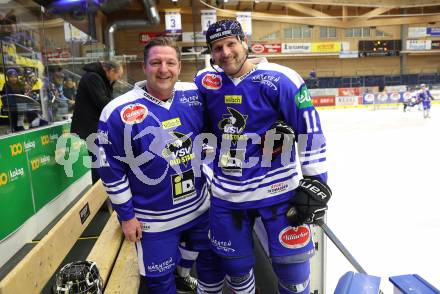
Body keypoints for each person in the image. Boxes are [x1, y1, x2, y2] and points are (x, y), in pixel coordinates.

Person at [194, 20, 331, 294]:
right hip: (229, 195)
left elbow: (309, 129)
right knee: (236, 269)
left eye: (231, 44)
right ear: (211, 53)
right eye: (217, 48)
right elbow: (200, 127)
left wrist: (317, 182)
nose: (226, 52)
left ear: (244, 42)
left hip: (279, 191)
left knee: (294, 271)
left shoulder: (282, 78)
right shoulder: (205, 83)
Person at [96, 37, 224, 294]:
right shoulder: (117, 111)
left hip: (199, 208)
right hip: (153, 221)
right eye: (156, 62)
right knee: (159, 282)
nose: (163, 69)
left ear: (179, 66)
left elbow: (231, 94)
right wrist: (127, 216)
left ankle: (189, 277)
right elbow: (111, 172)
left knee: (214, 260)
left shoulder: (194, 94)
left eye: (170, 63)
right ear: (144, 67)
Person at [70, 60, 123, 184]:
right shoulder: (93, 78)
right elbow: (103, 102)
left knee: (100, 160)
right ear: (110, 71)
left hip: (94, 126)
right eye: (118, 76)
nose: (118, 79)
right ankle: (98, 193)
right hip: (89, 127)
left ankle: (100, 189)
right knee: (97, 162)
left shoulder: (101, 79)